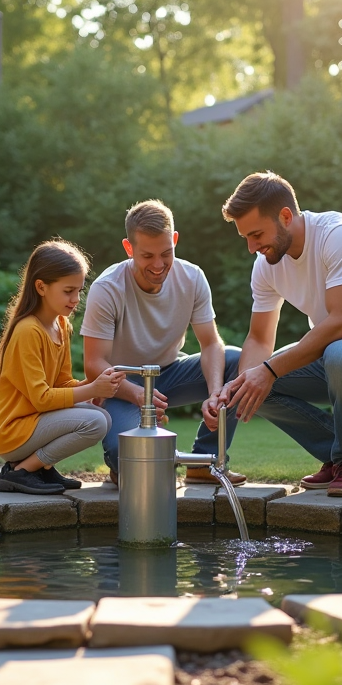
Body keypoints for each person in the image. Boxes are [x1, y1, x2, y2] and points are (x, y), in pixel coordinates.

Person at [214, 172, 342, 496]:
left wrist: (269, 370)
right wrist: (241, 387)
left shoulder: (338, 235)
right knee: (253, 384)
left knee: (339, 351)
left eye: (256, 234)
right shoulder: (266, 265)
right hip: (336, 360)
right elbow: (258, 339)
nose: (251, 247)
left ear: (286, 216)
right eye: (246, 237)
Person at [81, 200, 246, 485]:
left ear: (175, 240)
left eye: (166, 253)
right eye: (147, 255)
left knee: (236, 360)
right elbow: (94, 364)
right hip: (122, 385)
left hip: (170, 373)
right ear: (129, 248)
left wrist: (215, 393)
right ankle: (122, 466)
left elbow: (210, 343)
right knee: (135, 462)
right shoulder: (107, 288)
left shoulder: (192, 277)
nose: (158, 265)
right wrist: (138, 396)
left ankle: (204, 463)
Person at [0, 240, 126, 495]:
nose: (75, 299)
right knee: (95, 422)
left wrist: (93, 386)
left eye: (79, 291)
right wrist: (92, 388)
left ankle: (42, 467)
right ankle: (20, 472)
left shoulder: (61, 325)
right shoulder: (28, 330)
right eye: (68, 291)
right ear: (41, 286)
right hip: (13, 431)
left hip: (35, 423)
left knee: (101, 415)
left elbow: (61, 384)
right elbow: (41, 398)